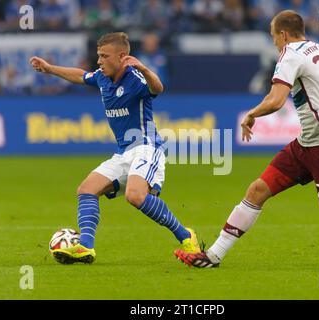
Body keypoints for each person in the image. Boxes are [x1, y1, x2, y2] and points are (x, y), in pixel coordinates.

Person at [174, 10, 319, 268]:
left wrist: (251, 114)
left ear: (283, 35)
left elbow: (275, 100)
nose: (274, 42)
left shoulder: (289, 55)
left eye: (273, 36)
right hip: (306, 144)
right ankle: (213, 256)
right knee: (257, 190)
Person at [30, 32, 200, 264]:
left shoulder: (136, 79)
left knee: (134, 196)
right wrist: (50, 69)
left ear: (122, 56)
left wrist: (145, 69)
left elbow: (157, 88)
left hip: (147, 148)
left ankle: (185, 235)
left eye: (104, 56)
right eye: (98, 55)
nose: (99, 61)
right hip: (124, 152)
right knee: (87, 189)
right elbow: (82, 76)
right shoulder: (102, 77)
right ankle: (85, 247)